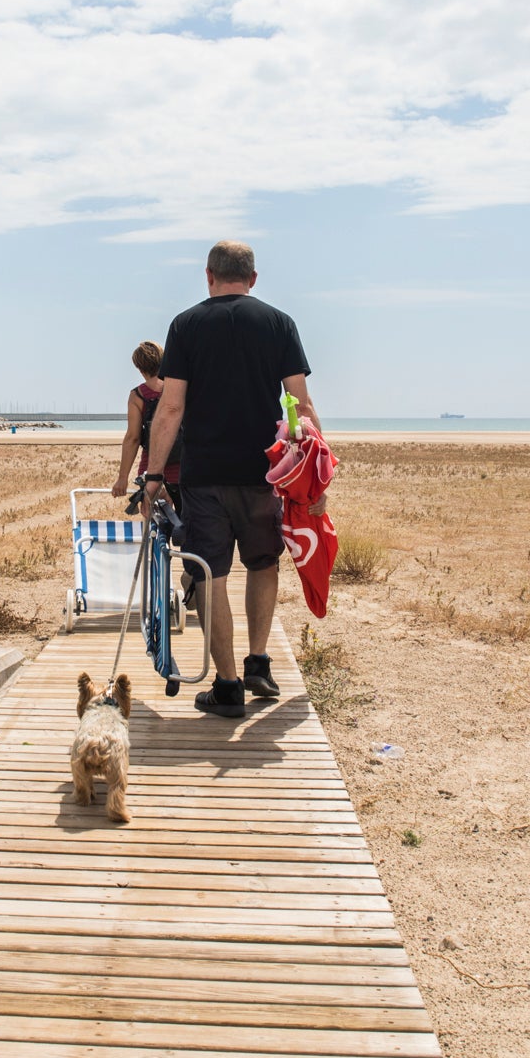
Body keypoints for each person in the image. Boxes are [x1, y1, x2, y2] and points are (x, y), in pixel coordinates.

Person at [144, 240, 325, 719]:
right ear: (253, 278)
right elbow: (301, 406)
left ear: (208, 276)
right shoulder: (279, 323)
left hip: (205, 477)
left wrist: (154, 476)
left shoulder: (185, 325)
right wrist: (317, 478)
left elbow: (172, 407)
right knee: (264, 564)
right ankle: (258, 663)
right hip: (267, 474)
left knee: (210, 575)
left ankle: (227, 688)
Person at [111, 341, 182, 515]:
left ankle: (156, 540)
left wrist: (122, 478)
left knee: (150, 515)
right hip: (182, 465)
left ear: (139, 367)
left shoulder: (138, 395)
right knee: (185, 520)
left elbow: (133, 438)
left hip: (151, 466)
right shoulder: (179, 389)